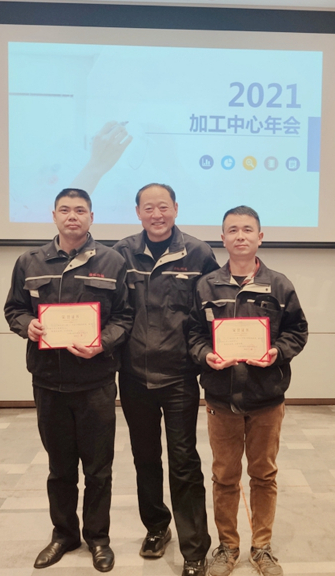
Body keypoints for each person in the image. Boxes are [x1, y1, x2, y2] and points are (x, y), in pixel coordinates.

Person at [4, 188, 132, 573]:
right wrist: (28, 325)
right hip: (48, 381)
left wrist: (101, 343)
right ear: (54, 216)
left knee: (98, 469)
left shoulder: (112, 261)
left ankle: (98, 538)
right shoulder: (29, 262)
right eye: (65, 210)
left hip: (95, 381)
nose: (72, 216)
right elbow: (14, 309)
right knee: (59, 468)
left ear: (92, 216)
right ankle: (63, 535)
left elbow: (125, 316)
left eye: (80, 210)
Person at [187, 206, 308, 576]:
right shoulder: (206, 286)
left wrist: (277, 353)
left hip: (266, 398)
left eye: (247, 230)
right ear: (222, 238)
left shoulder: (280, 285)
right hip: (221, 399)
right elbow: (193, 334)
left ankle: (262, 546)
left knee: (263, 474)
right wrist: (206, 356)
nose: (240, 236)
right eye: (233, 230)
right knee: (224, 476)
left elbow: (297, 331)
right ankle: (227, 547)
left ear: (260, 237)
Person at [113, 183, 218, 576]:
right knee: (145, 457)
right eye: (148, 208)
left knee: (184, 460)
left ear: (175, 208)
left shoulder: (199, 253)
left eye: (163, 207)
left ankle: (194, 549)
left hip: (179, 376)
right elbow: (112, 310)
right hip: (133, 375)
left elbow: (213, 310)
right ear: (137, 212)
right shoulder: (121, 253)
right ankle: (157, 527)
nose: (156, 214)